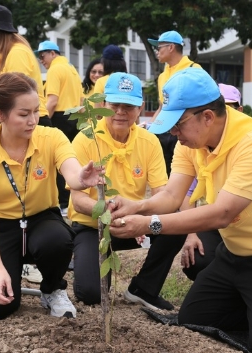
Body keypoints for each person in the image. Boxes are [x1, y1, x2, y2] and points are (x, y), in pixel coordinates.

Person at [109, 68, 252, 352]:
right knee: (193, 319)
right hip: (234, 255)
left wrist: (147, 225)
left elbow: (223, 213)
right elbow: (171, 195)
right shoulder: (191, 143)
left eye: (178, 124)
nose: (173, 133)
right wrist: (138, 206)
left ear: (207, 116)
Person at [0, 72, 103, 320]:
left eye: (36, 112)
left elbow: (71, 171)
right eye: (23, 114)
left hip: (41, 219)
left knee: (58, 240)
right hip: (0, 227)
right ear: (0, 115)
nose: (33, 120)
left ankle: (51, 290)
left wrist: (81, 178)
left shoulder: (51, 137)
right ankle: (10, 271)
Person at [69, 72, 185, 310]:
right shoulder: (85, 139)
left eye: (129, 105)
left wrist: (141, 219)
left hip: (133, 224)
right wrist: (106, 212)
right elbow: (77, 199)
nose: (121, 112)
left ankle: (143, 288)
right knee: (91, 294)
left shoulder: (149, 141)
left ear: (140, 107)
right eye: (115, 105)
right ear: (103, 105)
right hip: (93, 227)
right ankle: (91, 263)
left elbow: (163, 194)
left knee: (174, 225)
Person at [180, 83, 242, 282]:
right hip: (217, 222)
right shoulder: (197, 147)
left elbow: (227, 211)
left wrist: (149, 223)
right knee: (197, 259)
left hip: (248, 225)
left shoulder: (251, 144)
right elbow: (183, 193)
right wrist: (191, 233)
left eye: (230, 107)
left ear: (239, 111)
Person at [0, 4, 51, 126]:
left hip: (29, 122)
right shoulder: (6, 55)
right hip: (20, 121)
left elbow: (19, 95)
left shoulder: (17, 53)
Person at [35, 40, 84, 214]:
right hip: (75, 117)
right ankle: (71, 200)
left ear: (53, 53)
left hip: (60, 117)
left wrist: (42, 122)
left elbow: (52, 100)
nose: (42, 60)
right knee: (71, 160)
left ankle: (62, 203)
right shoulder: (72, 69)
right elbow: (81, 100)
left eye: (43, 56)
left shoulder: (55, 69)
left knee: (57, 161)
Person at [147, 30, 202, 176]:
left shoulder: (193, 70)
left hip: (186, 131)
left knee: (187, 176)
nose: (157, 52)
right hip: (165, 130)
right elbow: (161, 106)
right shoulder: (162, 76)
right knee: (165, 174)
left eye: (159, 48)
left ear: (171, 47)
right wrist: (150, 127)